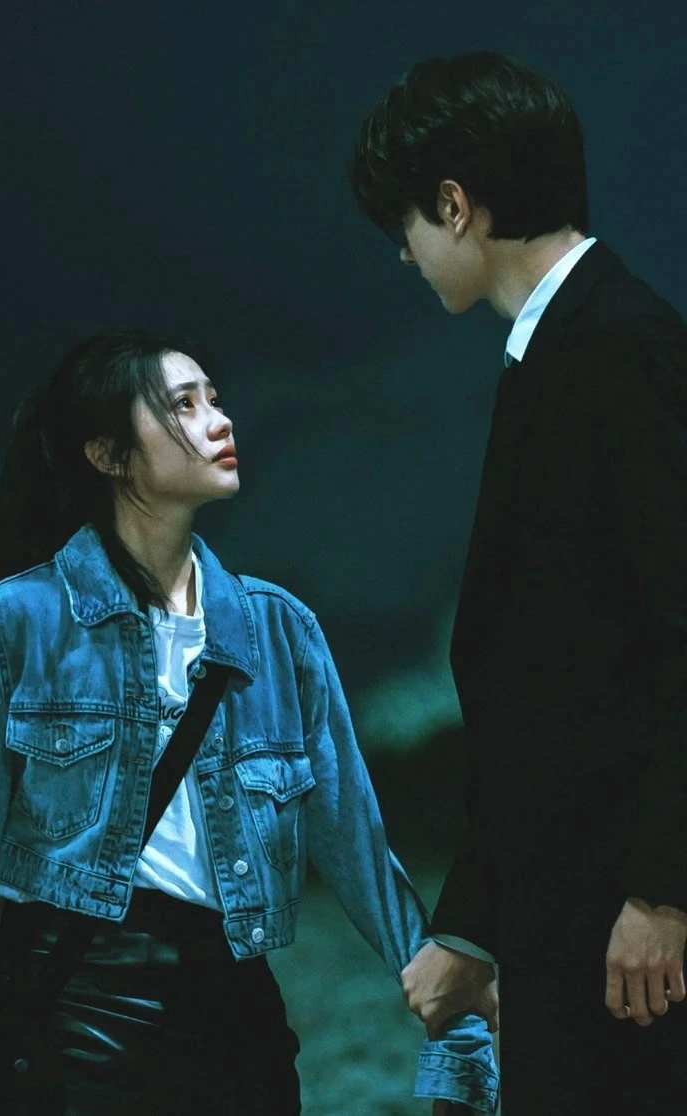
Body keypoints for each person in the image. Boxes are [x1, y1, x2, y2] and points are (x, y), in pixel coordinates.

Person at [0, 331, 499, 1115]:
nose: (219, 418)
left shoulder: (278, 631)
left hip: (239, 1023)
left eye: (215, 397)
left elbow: (357, 846)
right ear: (107, 454)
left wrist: (461, 1042)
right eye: (183, 405)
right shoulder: (13, 624)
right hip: (70, 1021)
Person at [350, 50, 687, 1115]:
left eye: (405, 225)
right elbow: (551, 687)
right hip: (574, 918)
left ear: (455, 206)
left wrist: (664, 892)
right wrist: (474, 920)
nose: (405, 256)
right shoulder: (557, 347)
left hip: (629, 934)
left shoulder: (619, 347)